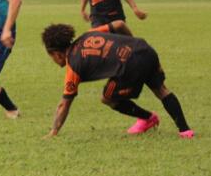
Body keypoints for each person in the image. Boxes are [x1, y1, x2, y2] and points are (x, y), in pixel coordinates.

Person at [41, 23, 193, 139]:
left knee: (107, 98)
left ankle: (148, 118)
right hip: (144, 48)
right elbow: (119, 24)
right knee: (161, 90)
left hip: (130, 65)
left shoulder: (73, 67)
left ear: (57, 54)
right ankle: (185, 130)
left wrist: (53, 131)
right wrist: (133, 44)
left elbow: (64, 104)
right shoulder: (88, 34)